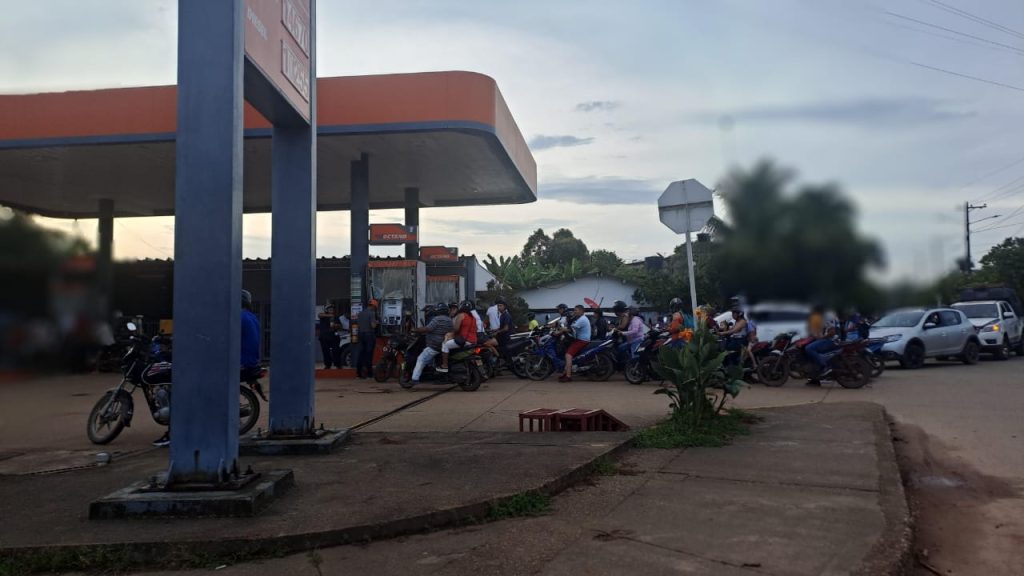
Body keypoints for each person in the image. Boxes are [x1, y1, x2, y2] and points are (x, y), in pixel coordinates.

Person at [153, 289, 262, 448]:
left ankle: (174, 433)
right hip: (248, 362)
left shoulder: (236, 317)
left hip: (238, 361)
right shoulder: (251, 317)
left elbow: (215, 336)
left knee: (184, 386)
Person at [409, 304, 454, 384]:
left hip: (434, 346)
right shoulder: (449, 320)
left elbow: (428, 328)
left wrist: (415, 330)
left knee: (421, 359)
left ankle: (414, 379)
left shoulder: (437, 319)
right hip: (444, 344)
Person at [439, 300, 478, 372]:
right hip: (474, 341)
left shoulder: (461, 315)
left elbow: (456, 329)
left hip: (464, 340)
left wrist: (450, 334)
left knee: (445, 345)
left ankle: (445, 365)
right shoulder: (473, 318)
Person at [557, 304, 591, 382]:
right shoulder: (579, 318)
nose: (574, 312)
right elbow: (570, 325)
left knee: (568, 355)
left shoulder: (582, 319)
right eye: (574, 310)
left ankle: (568, 376)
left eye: (576, 310)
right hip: (579, 339)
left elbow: (571, 329)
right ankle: (564, 373)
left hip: (582, 340)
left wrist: (560, 331)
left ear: (581, 311)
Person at [355, 300, 379, 379]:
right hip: (369, 335)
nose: (375, 309)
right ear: (373, 306)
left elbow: (358, 324)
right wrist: (377, 322)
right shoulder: (372, 313)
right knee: (369, 354)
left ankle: (359, 374)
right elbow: (373, 325)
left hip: (360, 334)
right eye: (375, 307)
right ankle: (369, 374)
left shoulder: (360, 313)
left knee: (361, 354)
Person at [317, 305, 340, 369]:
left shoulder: (336, 317)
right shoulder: (323, 315)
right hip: (324, 337)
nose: (331, 309)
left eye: (332, 309)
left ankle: (337, 364)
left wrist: (336, 325)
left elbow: (339, 326)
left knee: (336, 350)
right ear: (326, 310)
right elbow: (319, 315)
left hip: (333, 336)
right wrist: (330, 315)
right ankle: (327, 365)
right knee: (325, 351)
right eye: (330, 309)